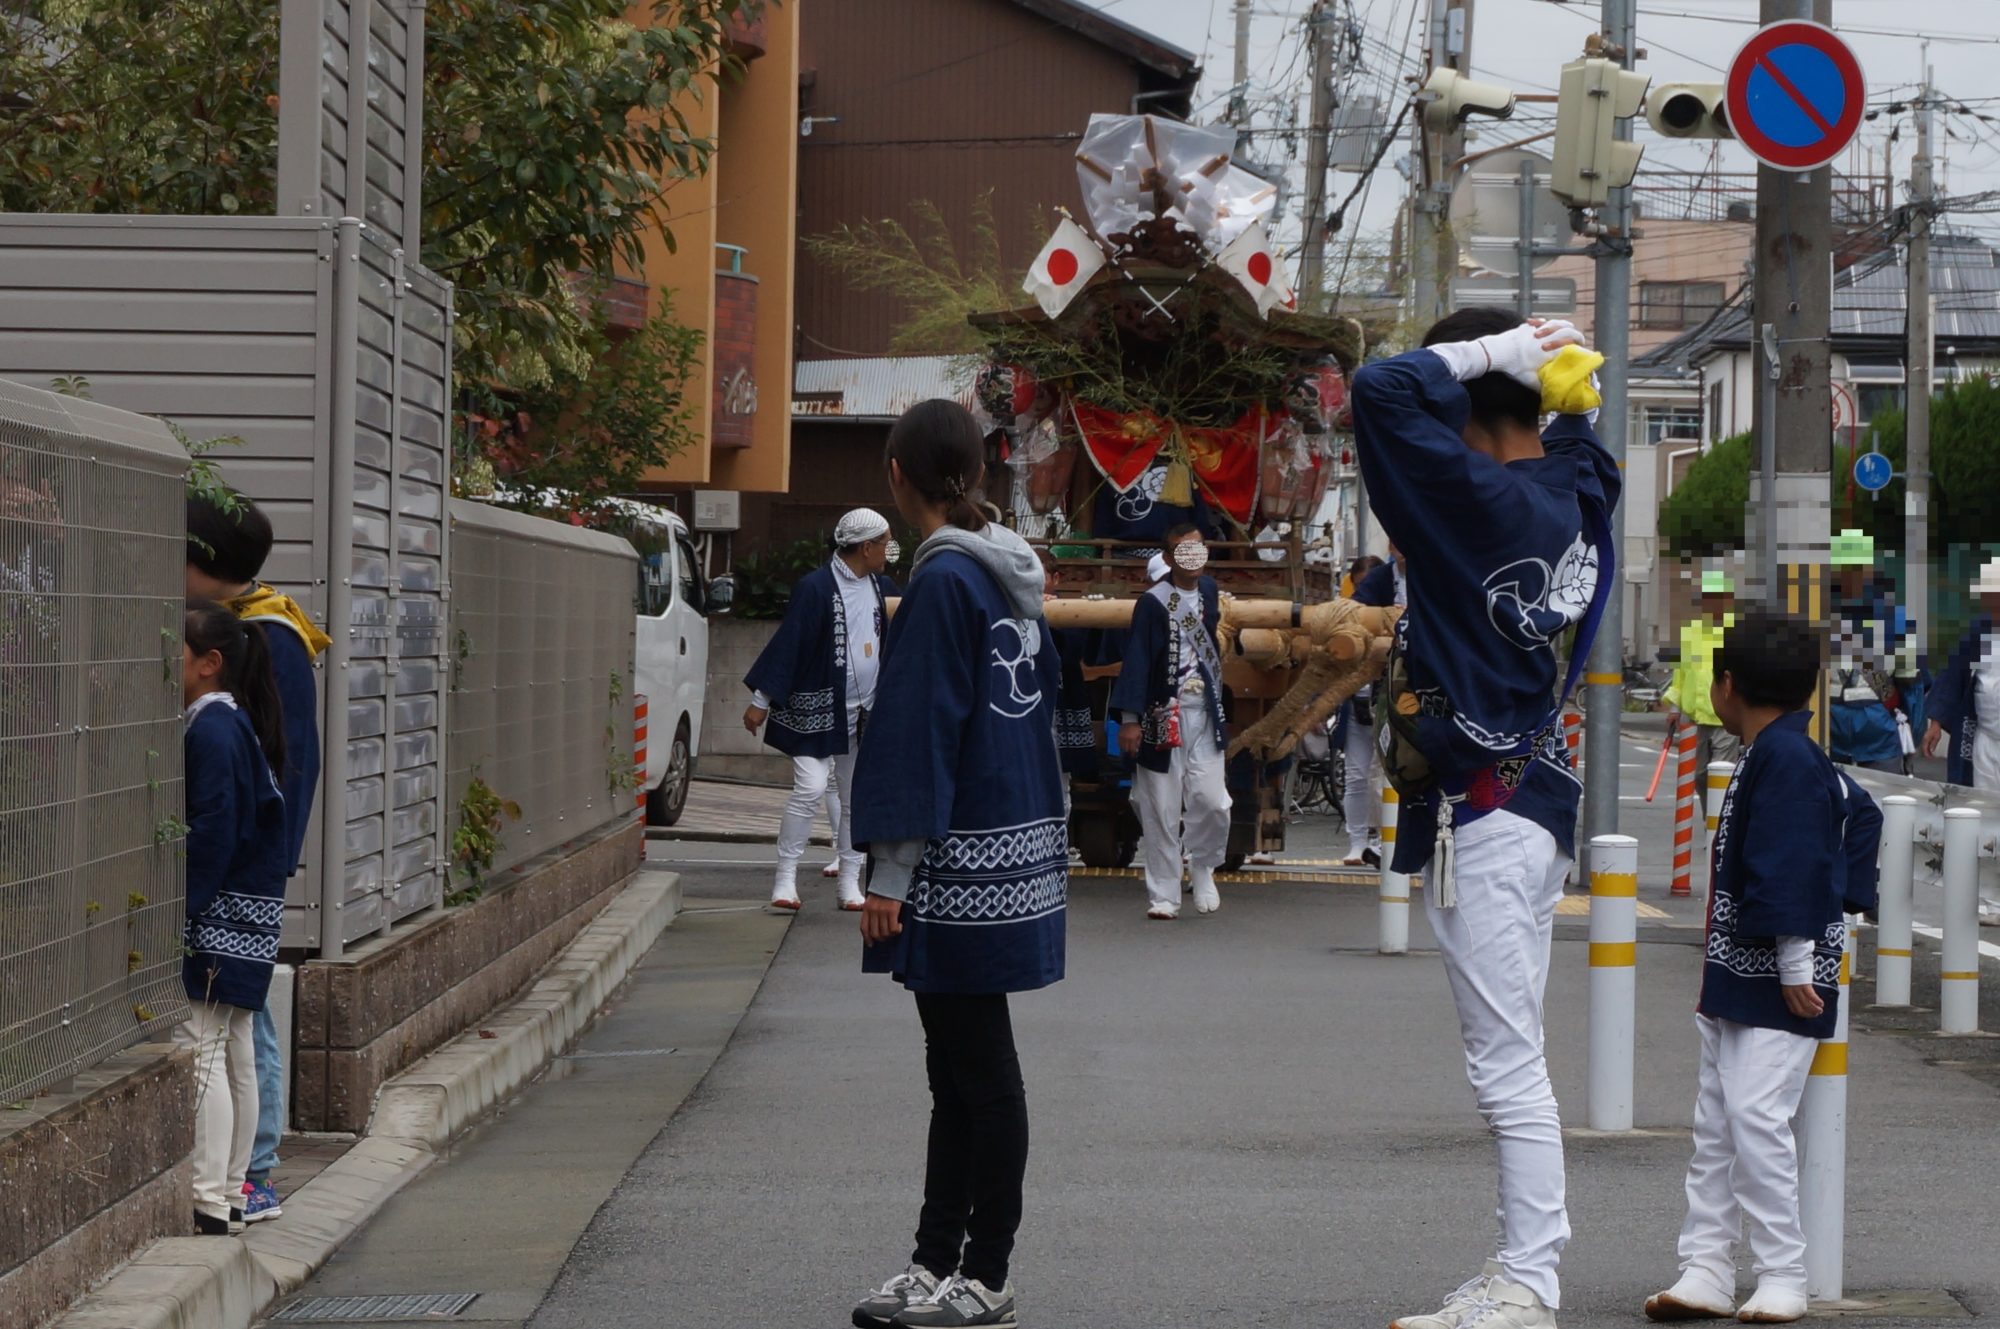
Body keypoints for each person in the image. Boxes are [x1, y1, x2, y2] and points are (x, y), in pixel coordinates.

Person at [1351, 310, 1620, 1329]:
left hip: (1486, 813)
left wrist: (1499, 351)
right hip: (1534, 797)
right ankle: (1519, 1267)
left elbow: (1380, 389)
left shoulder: (1469, 496)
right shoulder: (1573, 488)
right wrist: (1555, 380)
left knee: (1506, 1061)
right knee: (1517, 1049)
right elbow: (1581, 438)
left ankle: (1529, 1280)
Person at [848, 399, 1066, 1329]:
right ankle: (936, 1260)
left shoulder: (942, 581)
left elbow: (917, 730)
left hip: (956, 860)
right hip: (1012, 842)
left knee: (977, 1070)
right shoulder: (1007, 571)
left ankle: (985, 1273)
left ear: (899, 477)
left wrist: (888, 873)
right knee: (961, 1069)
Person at [1644, 608, 1881, 1324]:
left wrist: (1802, 952)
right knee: (1719, 1122)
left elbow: (1791, 859)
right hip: (1747, 967)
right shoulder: (1783, 751)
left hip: (1782, 972)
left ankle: (1781, 1270)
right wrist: (1845, 903)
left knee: (1752, 1114)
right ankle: (1707, 1266)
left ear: (1727, 685)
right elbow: (1862, 812)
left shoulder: (1785, 758)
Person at [186, 494, 331, 1224]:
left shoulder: (268, 636)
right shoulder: (256, 625)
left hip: (244, 866)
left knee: (238, 1025)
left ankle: (252, 1175)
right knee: (241, 1026)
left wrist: (268, 861)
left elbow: (287, 761)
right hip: (250, 862)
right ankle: (247, 1176)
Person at [179, 602, 291, 1235]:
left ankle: (209, 1196)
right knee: (236, 1050)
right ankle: (229, 1192)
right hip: (252, 910)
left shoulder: (212, 731)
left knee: (206, 1051)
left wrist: (185, 908)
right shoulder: (236, 723)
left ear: (209, 663)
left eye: (177, 652)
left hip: (220, 912)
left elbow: (215, 828)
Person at [743, 509, 897, 911]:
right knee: (811, 787)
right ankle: (785, 878)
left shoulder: (881, 587)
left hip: (865, 711)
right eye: (885, 544)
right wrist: (760, 701)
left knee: (854, 798)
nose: (889, 551)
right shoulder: (815, 587)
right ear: (866, 547)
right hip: (818, 708)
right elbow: (789, 643)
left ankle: (849, 882)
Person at [1111, 520, 1231, 919]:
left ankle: (1203, 865)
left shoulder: (1210, 591)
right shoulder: (1152, 603)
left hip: (1206, 713)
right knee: (1160, 808)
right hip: (1162, 715)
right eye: (1183, 551)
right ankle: (1164, 894)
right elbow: (1138, 659)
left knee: (1212, 802)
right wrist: (1130, 719)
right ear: (1168, 557)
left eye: (1198, 549)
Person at [1923, 555, 2000, 922]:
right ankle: (1992, 900)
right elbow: (1953, 676)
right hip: (1984, 739)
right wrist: (1936, 721)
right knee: (1983, 815)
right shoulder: (1979, 632)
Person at [1826, 531, 1908, 775]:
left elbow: (1911, 681)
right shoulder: (1815, 614)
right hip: (1832, 733)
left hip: (1876, 734)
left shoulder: (1893, 616)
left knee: (1883, 795)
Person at [1668, 567, 1741, 801]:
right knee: (1698, 775)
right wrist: (1674, 707)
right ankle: (1711, 815)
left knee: (1722, 773)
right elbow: (1680, 674)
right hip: (1694, 717)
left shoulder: (1736, 630)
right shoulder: (1691, 632)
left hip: (1726, 716)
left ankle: (1718, 818)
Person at [1339, 552, 1394, 865]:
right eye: (1358, 585)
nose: (1364, 591)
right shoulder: (1350, 613)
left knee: (1382, 771)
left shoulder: (1395, 612)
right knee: (1356, 774)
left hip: (1388, 698)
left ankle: (1380, 837)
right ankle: (1357, 840)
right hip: (1354, 699)